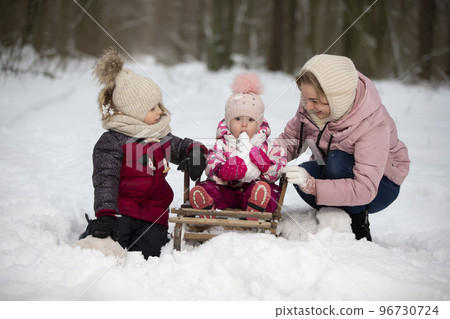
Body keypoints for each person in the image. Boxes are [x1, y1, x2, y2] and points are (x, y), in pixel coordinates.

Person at [79, 48, 207, 259]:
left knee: (152, 254)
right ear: (133, 113)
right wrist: (106, 214)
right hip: (121, 213)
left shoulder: (161, 136)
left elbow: (186, 146)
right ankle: (93, 236)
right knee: (106, 249)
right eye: (152, 108)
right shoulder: (112, 142)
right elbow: (105, 180)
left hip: (153, 216)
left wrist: (195, 154)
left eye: (159, 105)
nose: (160, 111)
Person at [277, 54, 410, 241]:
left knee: (336, 161)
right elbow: (291, 138)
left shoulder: (372, 121)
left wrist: (314, 186)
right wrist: (264, 157)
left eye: (314, 100)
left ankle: (357, 224)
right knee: (303, 174)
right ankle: (333, 218)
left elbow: (365, 188)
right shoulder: (312, 104)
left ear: (335, 98)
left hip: (380, 185)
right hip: (339, 169)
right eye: (305, 98)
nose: (307, 106)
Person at [189, 73, 287, 215]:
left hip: (254, 188)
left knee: (270, 190)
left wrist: (266, 166)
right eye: (238, 118)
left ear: (259, 123)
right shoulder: (222, 144)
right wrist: (222, 171)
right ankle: (206, 202)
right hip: (227, 190)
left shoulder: (268, 146)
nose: (244, 124)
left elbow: (280, 165)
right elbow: (211, 163)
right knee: (209, 186)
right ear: (228, 122)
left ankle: (256, 205)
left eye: (251, 120)